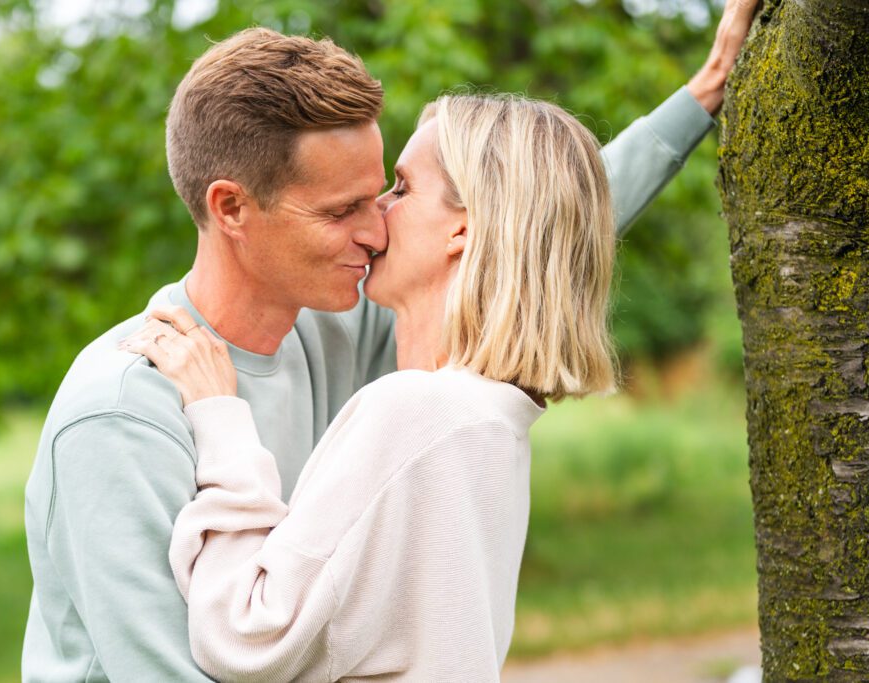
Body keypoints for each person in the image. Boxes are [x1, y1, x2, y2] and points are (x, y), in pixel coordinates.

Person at [21, 1, 760, 679]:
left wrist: (700, 99)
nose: (375, 229)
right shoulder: (124, 412)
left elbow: (528, 222)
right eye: (344, 209)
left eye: (387, 194)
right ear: (232, 207)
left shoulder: (345, 325)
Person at [124, 92, 616, 681]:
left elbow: (246, 638)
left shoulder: (413, 412)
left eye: (402, 190)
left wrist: (220, 416)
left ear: (462, 230)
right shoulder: (493, 423)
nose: (377, 214)